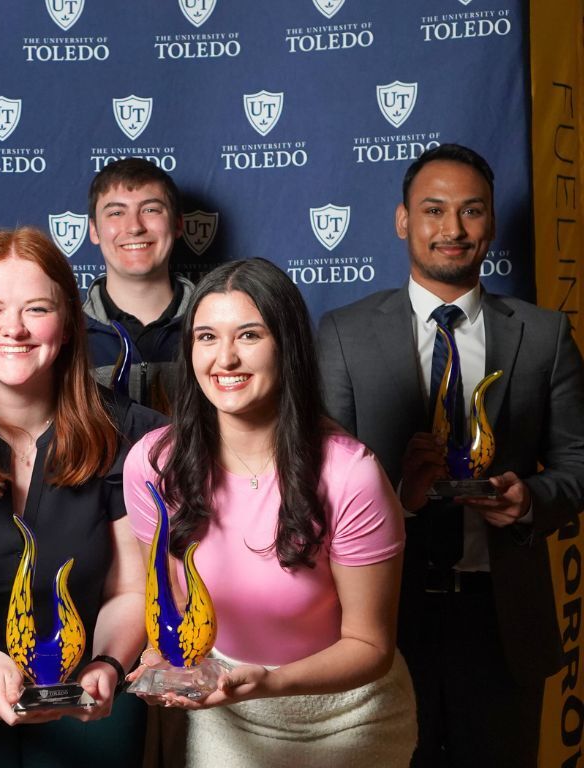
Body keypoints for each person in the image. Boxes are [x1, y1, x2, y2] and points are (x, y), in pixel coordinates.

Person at [317, 143, 584, 767]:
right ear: (402, 220)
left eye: (472, 210)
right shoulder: (344, 333)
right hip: (382, 617)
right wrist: (399, 502)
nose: (453, 229)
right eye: (434, 210)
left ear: (491, 223)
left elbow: (577, 465)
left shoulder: (543, 336)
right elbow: (319, 484)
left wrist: (529, 500)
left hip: (500, 621)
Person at [124, 259, 416, 768]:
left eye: (250, 335)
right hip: (229, 717)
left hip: (349, 719)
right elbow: (169, 606)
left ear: (288, 346)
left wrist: (270, 683)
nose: (226, 358)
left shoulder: (351, 474)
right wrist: (159, 659)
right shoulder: (154, 465)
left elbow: (370, 645)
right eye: (207, 337)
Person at [0, 227, 164, 767]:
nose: (13, 328)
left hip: (88, 700)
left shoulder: (133, 436)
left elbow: (130, 587)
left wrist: (108, 664)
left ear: (67, 324)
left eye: (37, 309)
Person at [84, 158, 193, 413]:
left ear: (178, 224)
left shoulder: (215, 330)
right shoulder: (66, 337)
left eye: (150, 210)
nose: (134, 227)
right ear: (94, 230)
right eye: (116, 213)